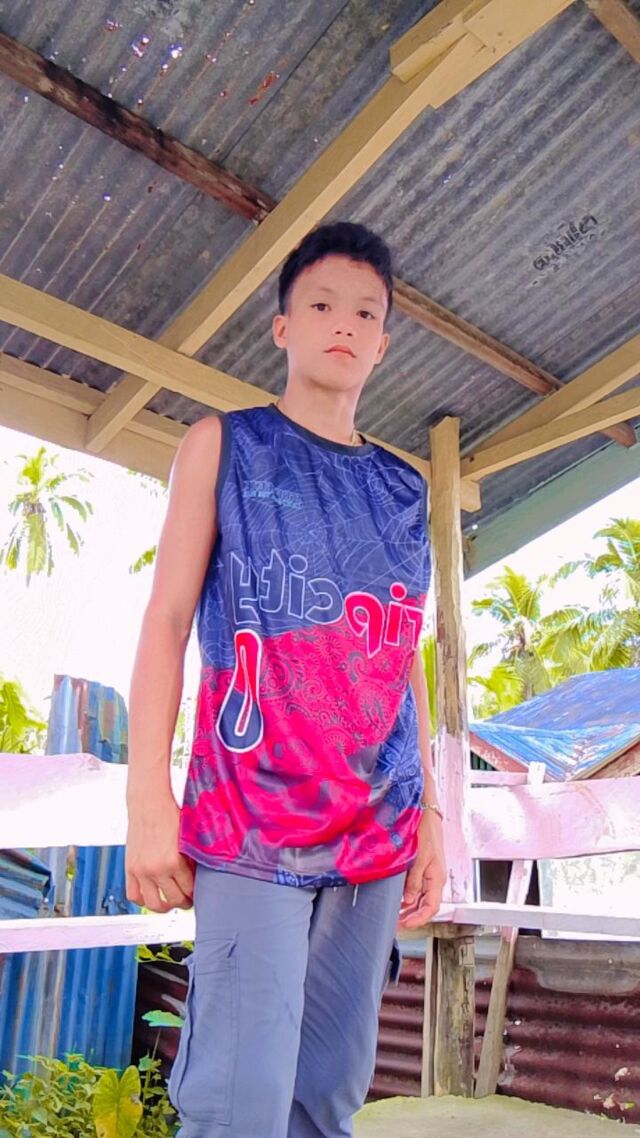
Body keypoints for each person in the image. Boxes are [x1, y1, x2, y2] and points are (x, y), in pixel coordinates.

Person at [125, 221, 446, 1138]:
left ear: (382, 345)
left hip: (377, 834)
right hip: (250, 827)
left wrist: (430, 815)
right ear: (283, 327)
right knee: (239, 1101)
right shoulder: (223, 445)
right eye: (322, 304)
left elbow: (402, 659)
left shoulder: (405, 490)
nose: (344, 324)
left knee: (328, 1098)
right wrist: (148, 798)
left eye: (366, 314)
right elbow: (166, 621)